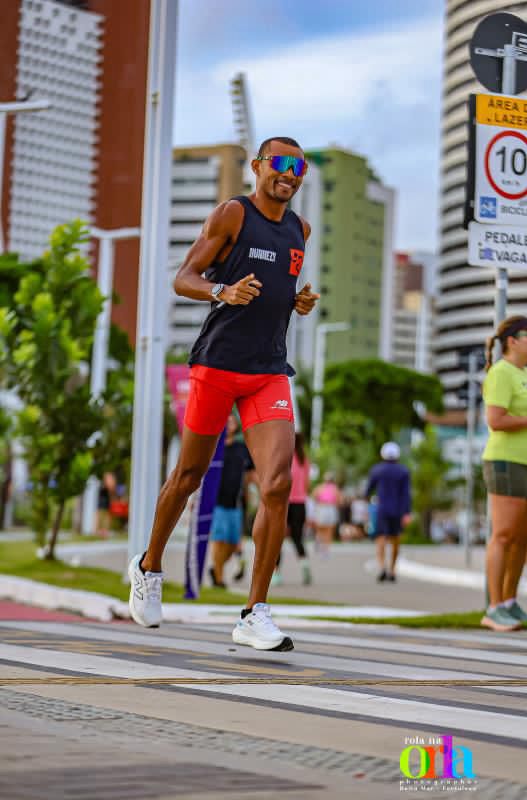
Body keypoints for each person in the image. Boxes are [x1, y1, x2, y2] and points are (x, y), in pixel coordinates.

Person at [128, 136, 319, 651]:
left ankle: (254, 611)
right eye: (279, 163)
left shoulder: (300, 229)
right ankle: (148, 567)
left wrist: (296, 301)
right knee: (188, 476)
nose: (290, 173)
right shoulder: (232, 214)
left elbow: (277, 288)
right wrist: (223, 292)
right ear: (257, 167)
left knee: (277, 483)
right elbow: (184, 277)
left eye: (298, 167)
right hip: (217, 364)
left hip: (268, 372)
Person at [481, 315, 527, 632]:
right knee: (503, 535)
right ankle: (494, 606)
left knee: (522, 538)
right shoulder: (501, 372)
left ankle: (511, 602)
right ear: (512, 340)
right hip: (505, 462)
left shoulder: (526, 374)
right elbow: (496, 420)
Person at [209, 414, 254, 588]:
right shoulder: (213, 448)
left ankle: (216, 568)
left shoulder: (242, 448)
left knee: (232, 543)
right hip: (216, 500)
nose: (229, 425)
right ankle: (219, 579)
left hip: (236, 501)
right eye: (225, 422)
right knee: (219, 540)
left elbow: (250, 476)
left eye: (232, 422)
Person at [365, 442, 411, 582]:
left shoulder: (377, 470)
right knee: (395, 539)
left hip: (382, 509)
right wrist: (407, 512)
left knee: (381, 538)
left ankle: (382, 567)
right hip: (398, 510)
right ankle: (392, 570)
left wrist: (367, 499)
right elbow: (406, 494)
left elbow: (368, 490)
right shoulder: (403, 471)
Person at [272, 432, 312, 586]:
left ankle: (276, 573)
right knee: (297, 537)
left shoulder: (285, 458)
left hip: (285, 502)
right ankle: (304, 564)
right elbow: (307, 484)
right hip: (300, 503)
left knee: (277, 539)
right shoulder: (304, 460)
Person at [312, 472, 342, 555]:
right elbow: (340, 500)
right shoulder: (322, 487)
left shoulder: (328, 488)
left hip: (327, 507)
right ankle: (323, 545)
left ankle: (325, 547)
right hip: (325, 507)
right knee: (324, 528)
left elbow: (314, 496)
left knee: (328, 528)